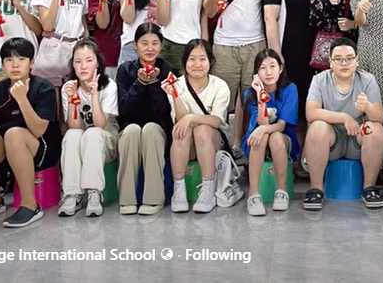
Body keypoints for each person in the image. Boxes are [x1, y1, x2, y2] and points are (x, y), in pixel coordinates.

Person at [0, 38, 63, 228]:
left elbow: (38, 130)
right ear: (2, 64)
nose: (15, 65)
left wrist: (22, 99)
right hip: (10, 150)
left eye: (21, 59)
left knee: (14, 134)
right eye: (9, 60)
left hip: (42, 150)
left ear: (32, 63)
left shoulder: (43, 87)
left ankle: (30, 205)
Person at [203, 0, 272, 153]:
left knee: (254, 101)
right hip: (224, 46)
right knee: (221, 102)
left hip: (256, 44)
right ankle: (219, 152)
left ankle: (249, 151)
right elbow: (210, 11)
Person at [303, 38, 383, 211]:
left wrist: (368, 107)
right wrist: (344, 118)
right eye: (338, 59)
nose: (344, 63)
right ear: (330, 62)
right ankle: (316, 189)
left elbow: (380, 117)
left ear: (357, 61)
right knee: (317, 126)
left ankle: (369, 188)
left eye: (349, 58)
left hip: (357, 140)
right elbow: (311, 113)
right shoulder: (319, 80)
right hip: (331, 141)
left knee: (376, 129)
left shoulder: (367, 80)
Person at [115, 24, 176, 216]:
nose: (150, 48)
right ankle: (127, 200)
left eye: (155, 43)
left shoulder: (169, 71)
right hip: (130, 126)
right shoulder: (125, 70)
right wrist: (140, 83)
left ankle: (153, 199)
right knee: (132, 131)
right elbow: (124, 110)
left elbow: (165, 111)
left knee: (150, 129)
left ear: (161, 46)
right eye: (144, 43)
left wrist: (154, 83)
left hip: (158, 129)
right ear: (135, 45)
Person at [167, 40, 231, 214]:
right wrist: (175, 95)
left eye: (202, 59)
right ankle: (178, 190)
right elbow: (179, 121)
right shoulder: (176, 84)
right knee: (182, 131)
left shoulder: (220, 85)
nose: (197, 64)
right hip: (187, 144)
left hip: (212, 141)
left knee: (202, 130)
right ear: (184, 62)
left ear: (210, 62)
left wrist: (192, 118)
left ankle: (208, 190)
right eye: (192, 59)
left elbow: (216, 121)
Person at [58, 39, 119, 218]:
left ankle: (94, 193)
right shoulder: (68, 87)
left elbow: (100, 125)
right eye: (78, 61)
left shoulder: (109, 85)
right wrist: (71, 100)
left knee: (93, 133)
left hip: (106, 141)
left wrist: (93, 96)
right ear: (73, 65)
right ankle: (72, 194)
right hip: (81, 141)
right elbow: (74, 126)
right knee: (72, 134)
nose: (83, 66)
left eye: (89, 60)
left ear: (97, 63)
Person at [241, 49, 299, 216]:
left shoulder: (290, 89)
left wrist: (263, 129)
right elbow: (263, 122)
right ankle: (253, 194)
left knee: (275, 137)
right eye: (262, 68)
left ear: (280, 69)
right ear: (256, 73)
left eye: (273, 66)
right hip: (257, 141)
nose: (268, 72)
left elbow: (280, 126)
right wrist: (260, 94)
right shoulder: (249, 94)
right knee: (264, 135)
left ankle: (281, 191)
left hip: (283, 139)